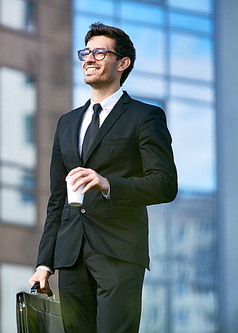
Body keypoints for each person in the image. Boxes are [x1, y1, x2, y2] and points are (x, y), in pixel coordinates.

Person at [28, 22, 178, 333]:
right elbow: (57, 198)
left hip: (119, 251)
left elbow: (165, 183)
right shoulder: (66, 123)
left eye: (100, 52)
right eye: (86, 52)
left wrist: (108, 183)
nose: (89, 59)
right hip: (70, 256)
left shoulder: (145, 117)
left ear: (123, 63)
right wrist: (44, 263)